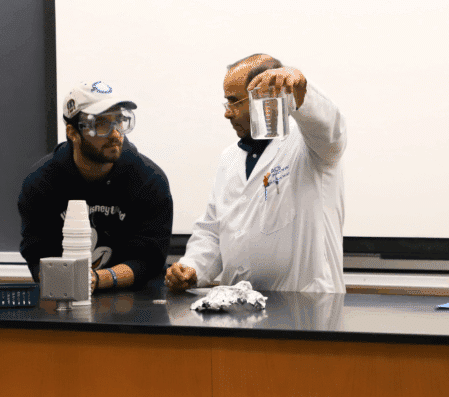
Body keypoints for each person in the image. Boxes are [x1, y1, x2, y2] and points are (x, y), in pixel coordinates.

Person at [166, 54, 347, 293]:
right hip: (240, 309)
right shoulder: (229, 158)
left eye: (234, 102)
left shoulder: (310, 145)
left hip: (307, 307)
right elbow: (213, 232)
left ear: (266, 95)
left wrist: (300, 87)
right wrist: (191, 267)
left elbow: (331, 128)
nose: (227, 113)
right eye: (226, 103)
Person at [18, 81, 173, 292]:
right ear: (73, 132)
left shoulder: (148, 180)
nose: (116, 134)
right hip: (67, 299)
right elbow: (38, 255)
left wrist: (97, 279)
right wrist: (70, 284)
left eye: (119, 121)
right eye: (101, 124)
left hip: (140, 305)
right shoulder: (41, 184)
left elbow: (149, 259)